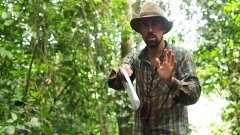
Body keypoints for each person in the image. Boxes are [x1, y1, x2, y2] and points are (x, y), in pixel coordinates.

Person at [108, 1, 201, 135]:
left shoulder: (180, 55)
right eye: (145, 25)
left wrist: (171, 81)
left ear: (163, 27)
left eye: (155, 24)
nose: (150, 30)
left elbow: (194, 94)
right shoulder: (135, 58)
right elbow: (115, 83)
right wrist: (122, 74)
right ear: (140, 31)